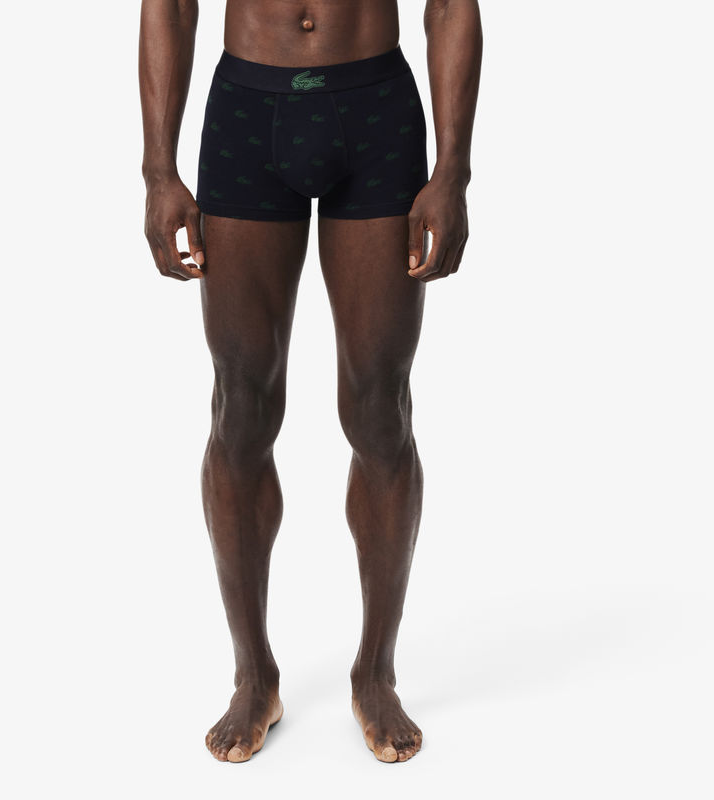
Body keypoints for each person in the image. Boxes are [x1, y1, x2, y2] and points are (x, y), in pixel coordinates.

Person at [138, 0, 482, 764]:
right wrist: (158, 170)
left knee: (380, 410)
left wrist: (453, 170)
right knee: (240, 408)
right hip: (248, 109)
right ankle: (253, 674)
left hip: (375, 110)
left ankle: (376, 671)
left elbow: (451, 5)